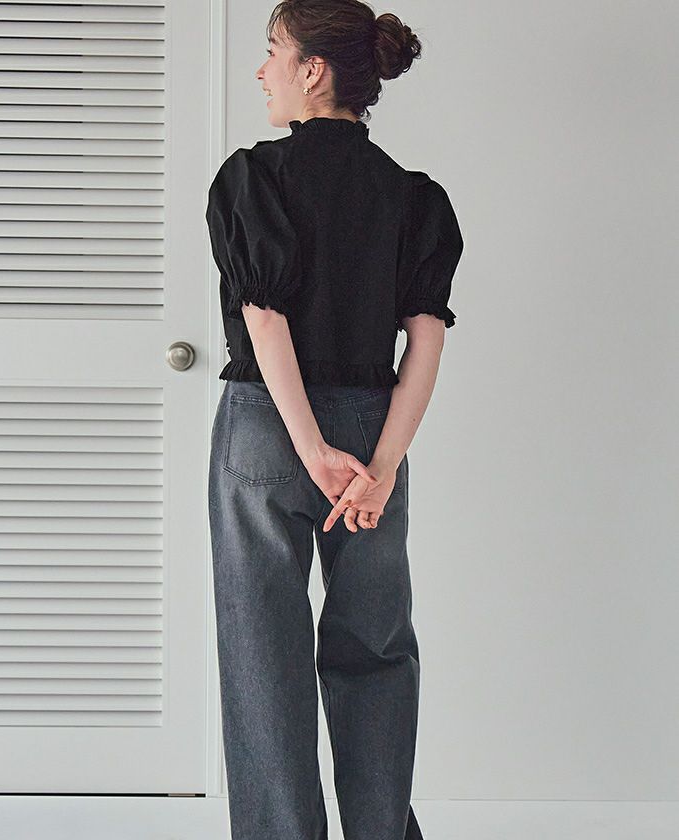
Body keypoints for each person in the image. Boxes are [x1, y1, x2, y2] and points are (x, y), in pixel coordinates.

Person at [206, 2, 464, 838]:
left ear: (312, 70)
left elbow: (265, 319)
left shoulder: (254, 178)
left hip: (267, 427)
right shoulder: (415, 198)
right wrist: (379, 466)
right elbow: (426, 339)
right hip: (374, 426)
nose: (263, 71)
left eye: (273, 52)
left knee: (263, 655)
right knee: (376, 644)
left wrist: (310, 447)